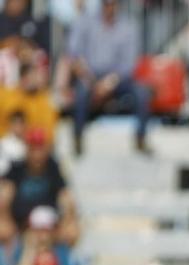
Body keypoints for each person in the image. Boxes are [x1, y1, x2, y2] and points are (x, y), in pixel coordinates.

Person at [65, 0, 150, 156]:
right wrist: (92, 81)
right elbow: (74, 55)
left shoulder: (128, 26)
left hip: (118, 79)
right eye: (106, 2)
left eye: (113, 3)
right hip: (89, 76)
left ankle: (141, 138)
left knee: (141, 92)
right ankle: (77, 138)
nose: (109, 6)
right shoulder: (86, 21)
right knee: (80, 92)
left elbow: (129, 65)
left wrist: (109, 83)